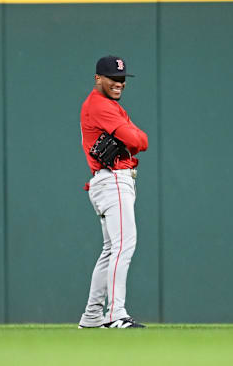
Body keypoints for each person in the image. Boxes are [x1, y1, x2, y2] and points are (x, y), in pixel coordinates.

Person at [78, 56, 149, 329]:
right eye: (112, 78)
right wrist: (134, 135)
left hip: (108, 182)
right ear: (98, 78)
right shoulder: (100, 106)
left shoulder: (105, 105)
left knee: (111, 250)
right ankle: (115, 314)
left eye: (122, 79)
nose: (119, 83)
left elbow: (136, 140)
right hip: (114, 181)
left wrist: (134, 136)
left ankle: (92, 315)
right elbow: (137, 140)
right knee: (123, 247)